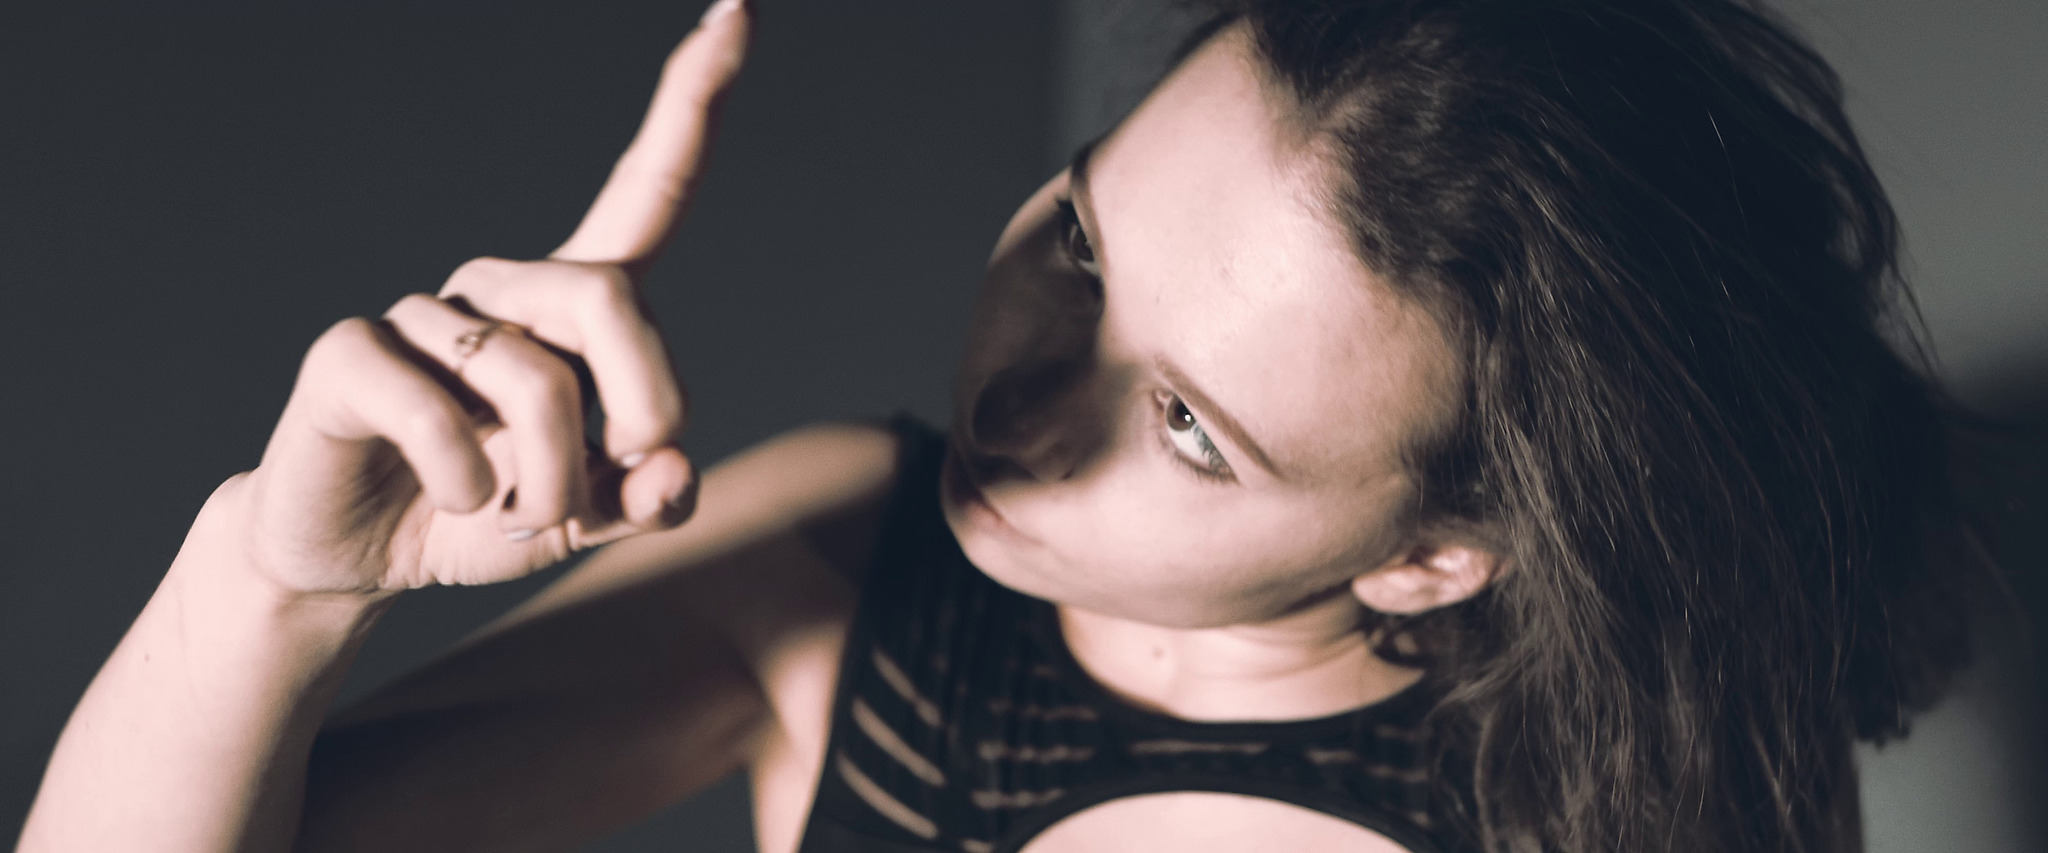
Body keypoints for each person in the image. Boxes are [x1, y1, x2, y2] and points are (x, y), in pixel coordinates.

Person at [16, 0, 2002, 851]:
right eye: (1079, 241)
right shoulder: (836, 568)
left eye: (1192, 426)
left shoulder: (1626, 805)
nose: (1026, 400)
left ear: (1428, 553)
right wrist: (270, 581)